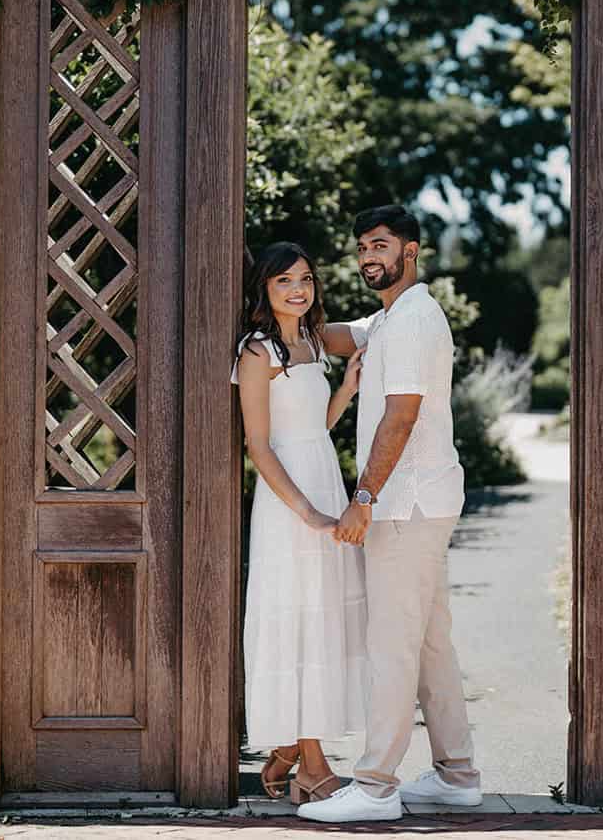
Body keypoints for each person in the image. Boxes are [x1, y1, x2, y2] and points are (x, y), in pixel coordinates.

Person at [297, 204, 483, 824]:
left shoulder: (410, 323)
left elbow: (399, 417)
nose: (368, 257)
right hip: (424, 505)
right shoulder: (394, 318)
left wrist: (363, 499)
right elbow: (338, 335)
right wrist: (283, 310)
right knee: (430, 645)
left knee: (393, 648)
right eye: (361, 249)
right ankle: (458, 776)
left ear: (411, 251)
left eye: (381, 245)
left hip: (404, 507)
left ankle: (375, 785)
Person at [234, 241, 368, 806]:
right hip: (287, 501)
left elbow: (317, 429)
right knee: (296, 624)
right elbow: (260, 447)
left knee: (323, 621)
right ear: (265, 288)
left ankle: (293, 753)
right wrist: (307, 511)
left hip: (323, 481)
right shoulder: (256, 353)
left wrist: (346, 392)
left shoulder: (313, 342)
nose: (298, 289)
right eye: (285, 279)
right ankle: (312, 768)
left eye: (306, 279)